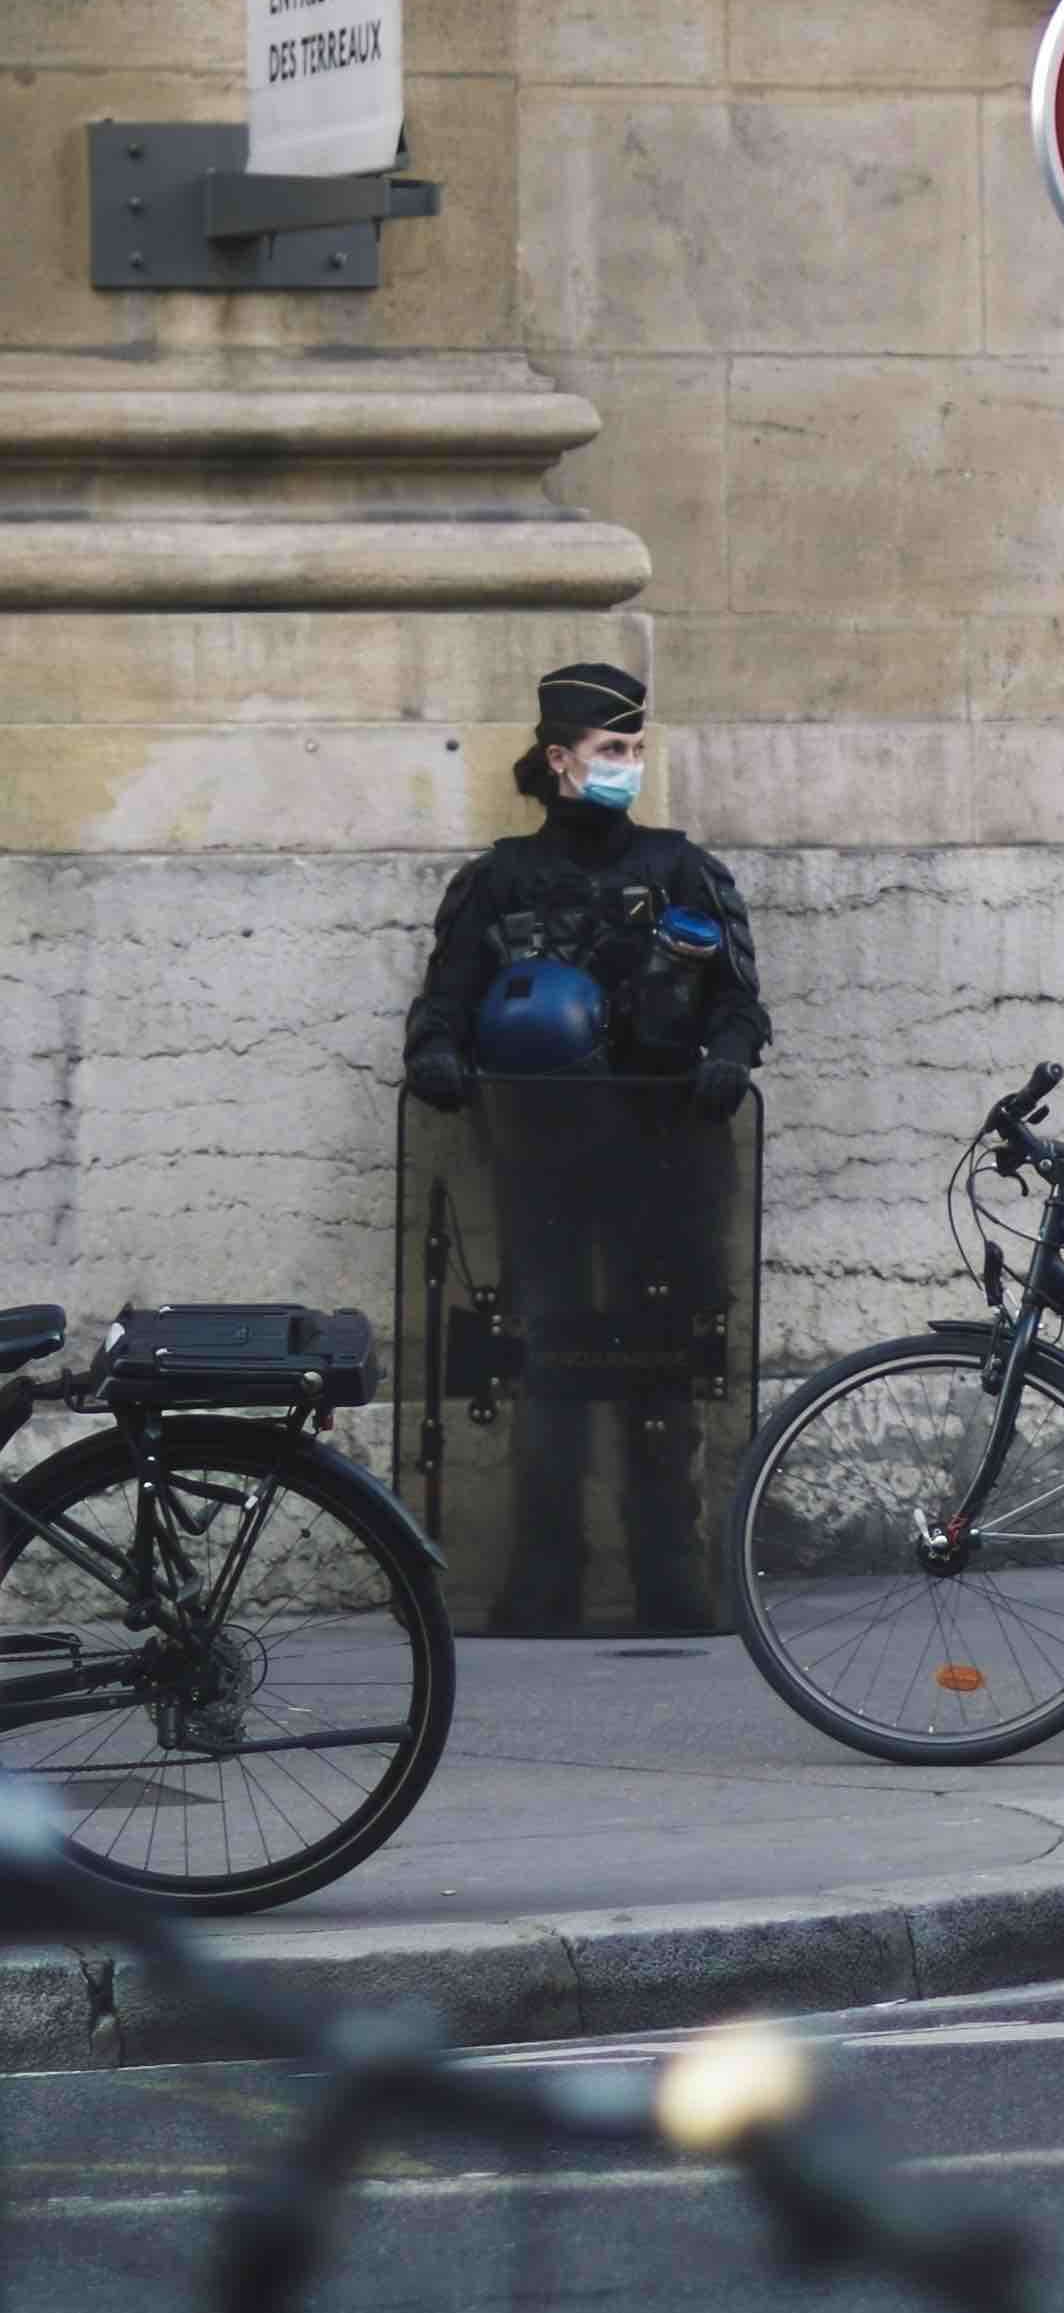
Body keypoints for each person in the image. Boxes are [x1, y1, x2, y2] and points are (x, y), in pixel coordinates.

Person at [402, 662, 767, 1631]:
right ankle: (545, 1577)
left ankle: (670, 1578)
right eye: (611, 748)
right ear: (560, 759)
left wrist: (728, 1056)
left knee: (664, 1365)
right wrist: (436, 1054)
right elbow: (442, 1003)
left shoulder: (684, 873)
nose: (628, 765)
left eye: (636, 748)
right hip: (544, 1159)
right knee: (547, 1360)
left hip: (667, 1156)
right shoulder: (498, 883)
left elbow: (739, 1004)